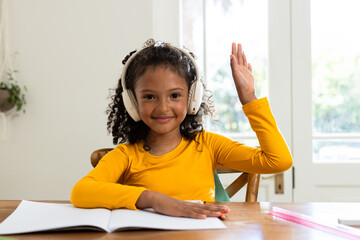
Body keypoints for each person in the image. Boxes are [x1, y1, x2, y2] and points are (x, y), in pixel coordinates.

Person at [71, 39, 293, 219]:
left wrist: (249, 99)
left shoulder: (208, 145)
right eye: (149, 97)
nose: (163, 107)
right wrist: (154, 199)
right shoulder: (126, 155)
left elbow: (279, 160)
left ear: (191, 99)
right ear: (132, 103)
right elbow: (80, 192)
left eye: (175, 95)